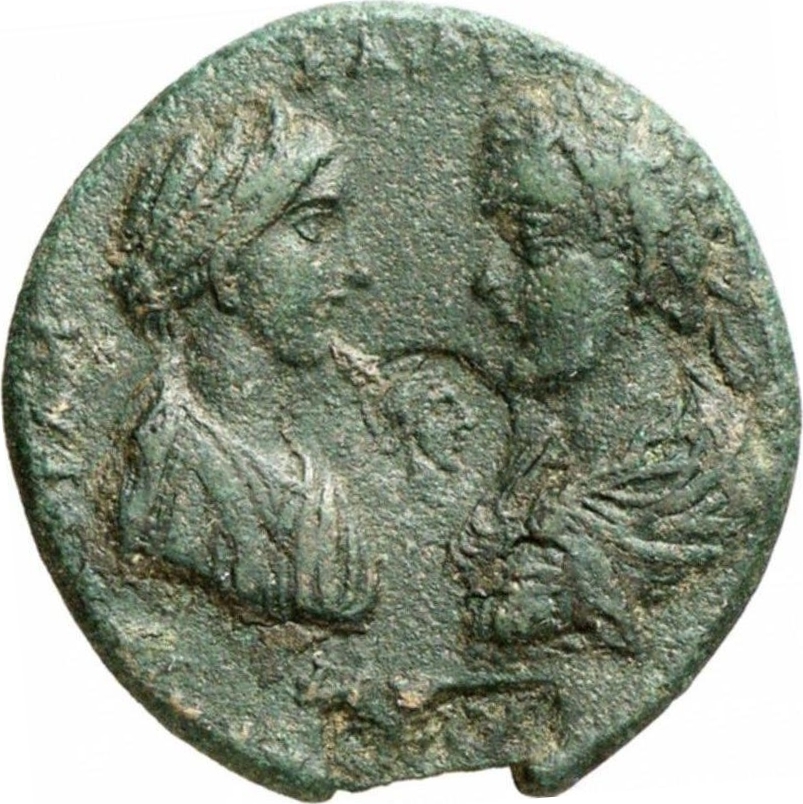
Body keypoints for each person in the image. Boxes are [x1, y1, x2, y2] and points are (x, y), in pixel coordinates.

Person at [452, 81, 755, 655]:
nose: (487, 278)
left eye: (531, 242)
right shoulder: (507, 457)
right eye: (496, 235)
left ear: (638, 259)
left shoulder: (712, 487)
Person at [107, 95, 377, 627]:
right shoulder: (171, 485)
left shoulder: (308, 473)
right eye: (313, 228)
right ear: (226, 271)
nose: (355, 268)